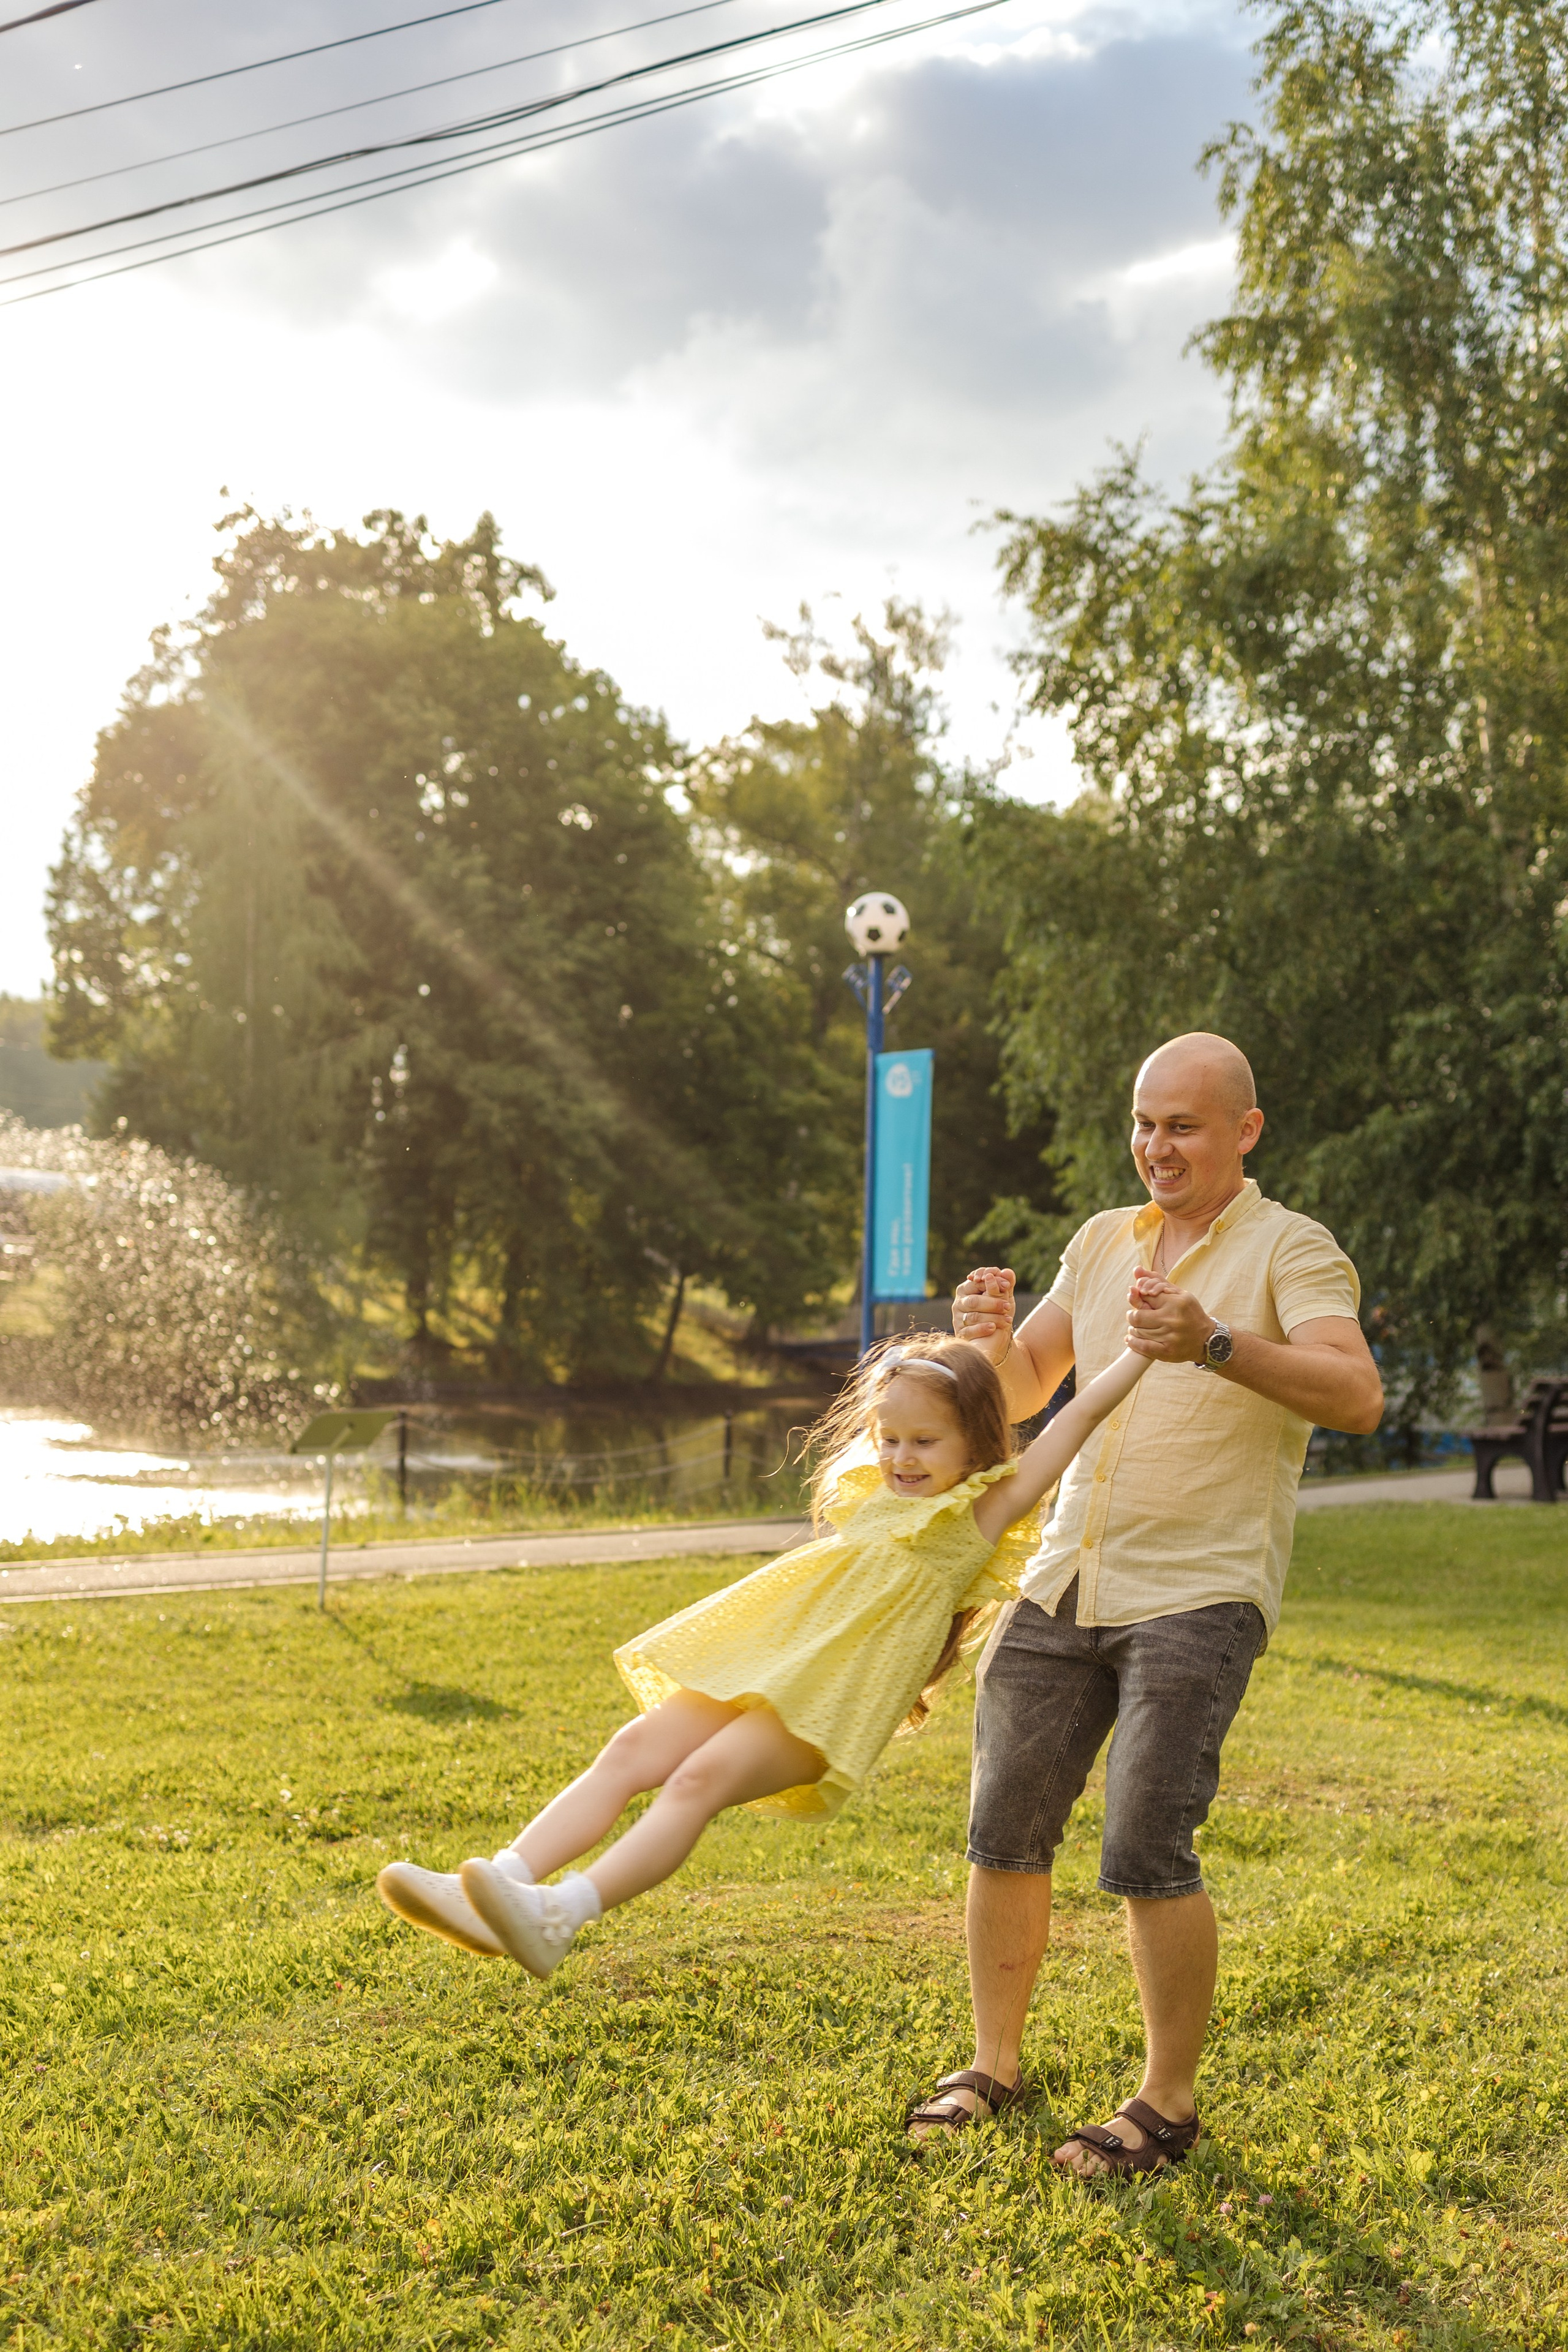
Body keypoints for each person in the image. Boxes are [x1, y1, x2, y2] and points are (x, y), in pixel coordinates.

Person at [905, 1031, 1384, 2172]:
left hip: (1200, 1590)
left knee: (1144, 1841)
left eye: (1182, 1126)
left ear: (1244, 1131)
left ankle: (1165, 2105)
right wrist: (985, 1346)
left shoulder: (1292, 1247)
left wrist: (1213, 1342)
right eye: (1144, 1124)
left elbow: (1356, 1394)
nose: (1156, 1147)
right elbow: (1027, 1386)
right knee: (1003, 1826)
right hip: (1065, 1576)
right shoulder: (1101, 1240)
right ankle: (992, 2064)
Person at [377, 1326, 1159, 1983]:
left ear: (975, 1444)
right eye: (890, 1439)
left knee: (696, 1780)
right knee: (632, 1749)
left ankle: (561, 1914)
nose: (902, 1457)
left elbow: (1079, 1413)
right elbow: (920, 1399)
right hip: (770, 1661)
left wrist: (1139, 1348)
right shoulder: (875, 1490)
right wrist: (961, 1344)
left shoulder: (982, 1512)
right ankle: (498, 1883)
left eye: (926, 1442)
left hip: (833, 1698)